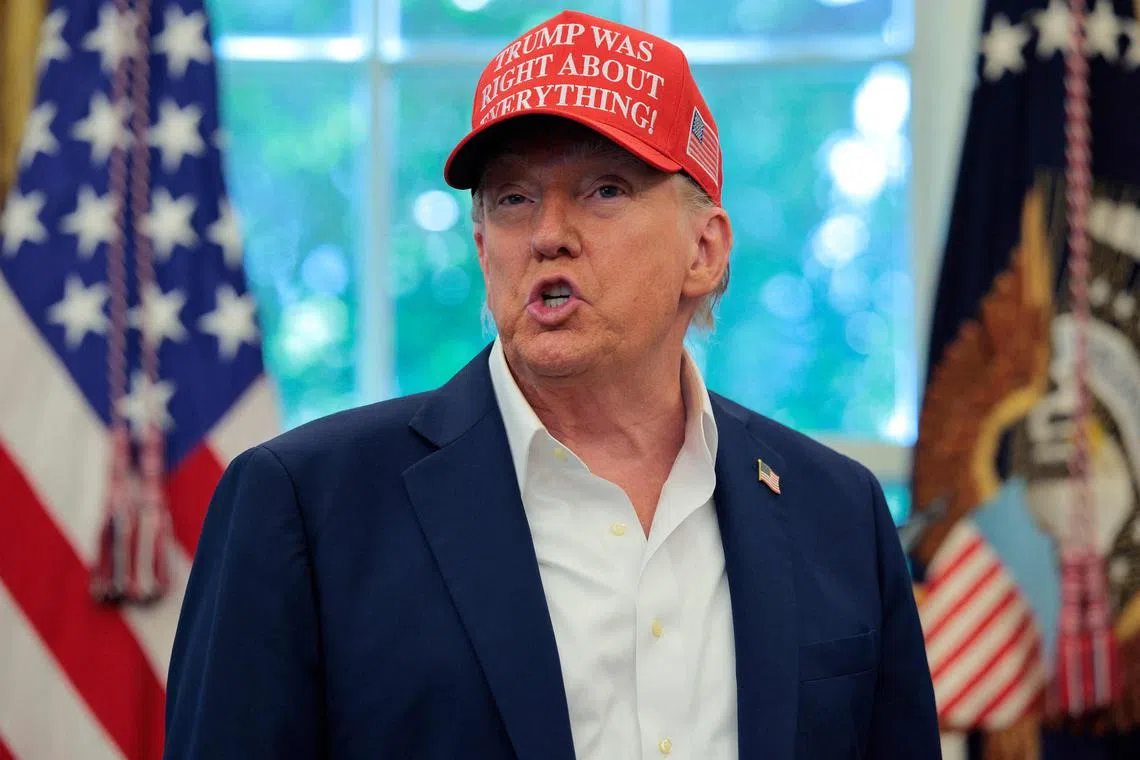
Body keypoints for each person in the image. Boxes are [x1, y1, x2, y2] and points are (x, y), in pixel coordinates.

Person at [164, 9, 940, 760]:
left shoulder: (838, 510)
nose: (547, 235)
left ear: (704, 251)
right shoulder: (304, 505)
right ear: (482, 248)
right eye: (513, 199)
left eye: (605, 190)